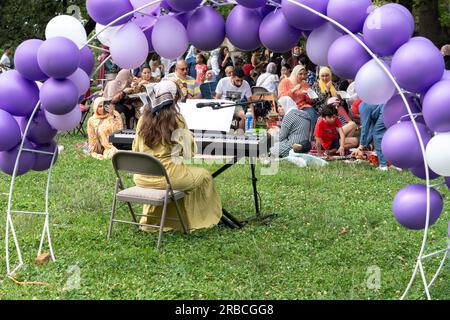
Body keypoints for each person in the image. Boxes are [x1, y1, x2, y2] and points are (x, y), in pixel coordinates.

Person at [132, 80, 222, 232]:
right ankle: (199, 220)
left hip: (143, 177)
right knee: (205, 175)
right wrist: (189, 137)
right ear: (173, 99)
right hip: (168, 178)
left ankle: (161, 220)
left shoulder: (142, 119)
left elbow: (136, 149)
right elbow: (188, 154)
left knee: (179, 175)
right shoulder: (177, 120)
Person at [278, 65, 318, 136]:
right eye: (300, 74)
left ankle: (310, 138)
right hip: (289, 107)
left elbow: (310, 101)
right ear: (295, 73)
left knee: (312, 113)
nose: (303, 76)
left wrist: (308, 94)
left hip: (303, 106)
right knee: (296, 119)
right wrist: (293, 90)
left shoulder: (304, 84)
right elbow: (281, 97)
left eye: (304, 74)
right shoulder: (285, 82)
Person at [352, 102, 388, 171]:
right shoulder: (371, 107)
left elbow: (365, 128)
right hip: (389, 109)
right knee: (385, 136)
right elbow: (371, 130)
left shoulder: (362, 107)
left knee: (377, 135)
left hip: (386, 111)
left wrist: (361, 146)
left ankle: (383, 166)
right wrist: (364, 146)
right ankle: (394, 163)